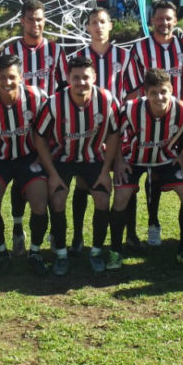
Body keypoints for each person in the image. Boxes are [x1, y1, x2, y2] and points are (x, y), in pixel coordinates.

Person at [33, 55, 121, 276]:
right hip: (62, 158)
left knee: (102, 198)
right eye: (76, 77)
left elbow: (114, 133)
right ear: (68, 78)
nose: (81, 82)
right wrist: (52, 174)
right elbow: (39, 137)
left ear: (94, 77)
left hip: (92, 157)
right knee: (57, 198)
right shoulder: (54, 102)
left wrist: (105, 171)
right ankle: (61, 254)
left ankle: (96, 252)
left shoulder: (106, 99)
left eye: (85, 77)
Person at [123, 0, 183, 247]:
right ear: (152, 20)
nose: (164, 22)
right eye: (159, 18)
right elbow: (133, 87)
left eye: (168, 18)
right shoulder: (140, 48)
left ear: (175, 20)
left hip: (179, 122)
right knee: (151, 174)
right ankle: (152, 224)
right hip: (149, 120)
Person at [112, 69, 183, 270]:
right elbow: (114, 133)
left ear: (171, 90)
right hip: (134, 159)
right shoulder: (131, 109)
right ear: (145, 93)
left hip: (166, 159)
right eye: (154, 93)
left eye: (163, 92)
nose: (159, 97)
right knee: (121, 197)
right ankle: (115, 251)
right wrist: (119, 160)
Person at [1, 0, 68, 253]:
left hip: (48, 128)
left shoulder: (55, 50)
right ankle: (18, 228)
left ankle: (52, 232)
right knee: (19, 180)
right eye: (30, 19)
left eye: (39, 19)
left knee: (48, 180)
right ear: (22, 21)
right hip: (17, 126)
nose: (35, 23)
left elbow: (63, 88)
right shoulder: (10, 50)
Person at [70, 8, 136, 252]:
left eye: (102, 21)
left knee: (124, 180)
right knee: (82, 183)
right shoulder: (77, 56)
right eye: (93, 22)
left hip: (118, 129)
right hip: (88, 132)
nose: (98, 26)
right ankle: (77, 236)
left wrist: (120, 117)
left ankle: (130, 233)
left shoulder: (124, 56)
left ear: (111, 25)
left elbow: (133, 91)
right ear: (87, 27)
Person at [0, 55, 50, 276]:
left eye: (11, 77)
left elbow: (49, 129)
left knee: (39, 203)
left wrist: (42, 156)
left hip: (28, 157)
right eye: (2, 77)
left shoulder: (37, 96)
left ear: (21, 76)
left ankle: (35, 253)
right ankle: (2, 253)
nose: (7, 82)